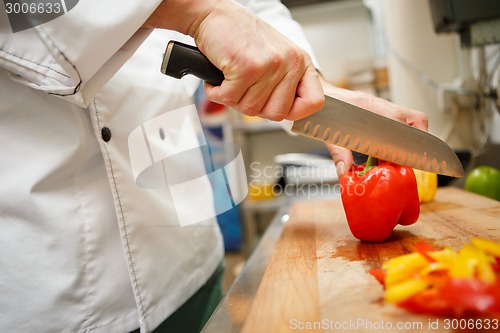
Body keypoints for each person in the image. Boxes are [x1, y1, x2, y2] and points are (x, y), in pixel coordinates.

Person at [0, 0, 427, 332]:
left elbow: (255, 10)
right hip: (55, 276)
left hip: (189, 255)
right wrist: (193, 10)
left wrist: (317, 90)